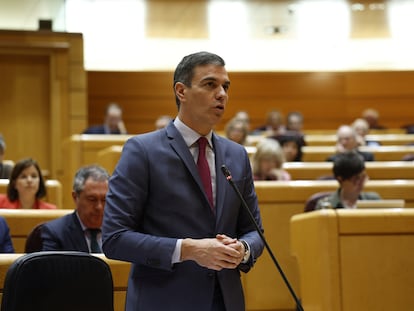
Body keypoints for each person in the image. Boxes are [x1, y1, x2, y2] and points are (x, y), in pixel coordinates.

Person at [102, 51, 264, 311]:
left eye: (225, 86)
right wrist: (188, 249)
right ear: (181, 91)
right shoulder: (142, 151)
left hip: (225, 301)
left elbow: (255, 231)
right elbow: (114, 238)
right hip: (164, 301)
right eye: (210, 84)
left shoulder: (237, 155)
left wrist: (243, 249)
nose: (221, 93)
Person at [41, 165, 109, 252]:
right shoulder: (55, 233)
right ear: (75, 197)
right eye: (92, 199)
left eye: (104, 199)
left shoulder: (120, 230)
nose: (99, 207)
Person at [316, 151, 381, 209]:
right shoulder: (325, 206)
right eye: (356, 179)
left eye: (363, 177)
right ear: (340, 180)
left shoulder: (373, 200)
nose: (361, 183)